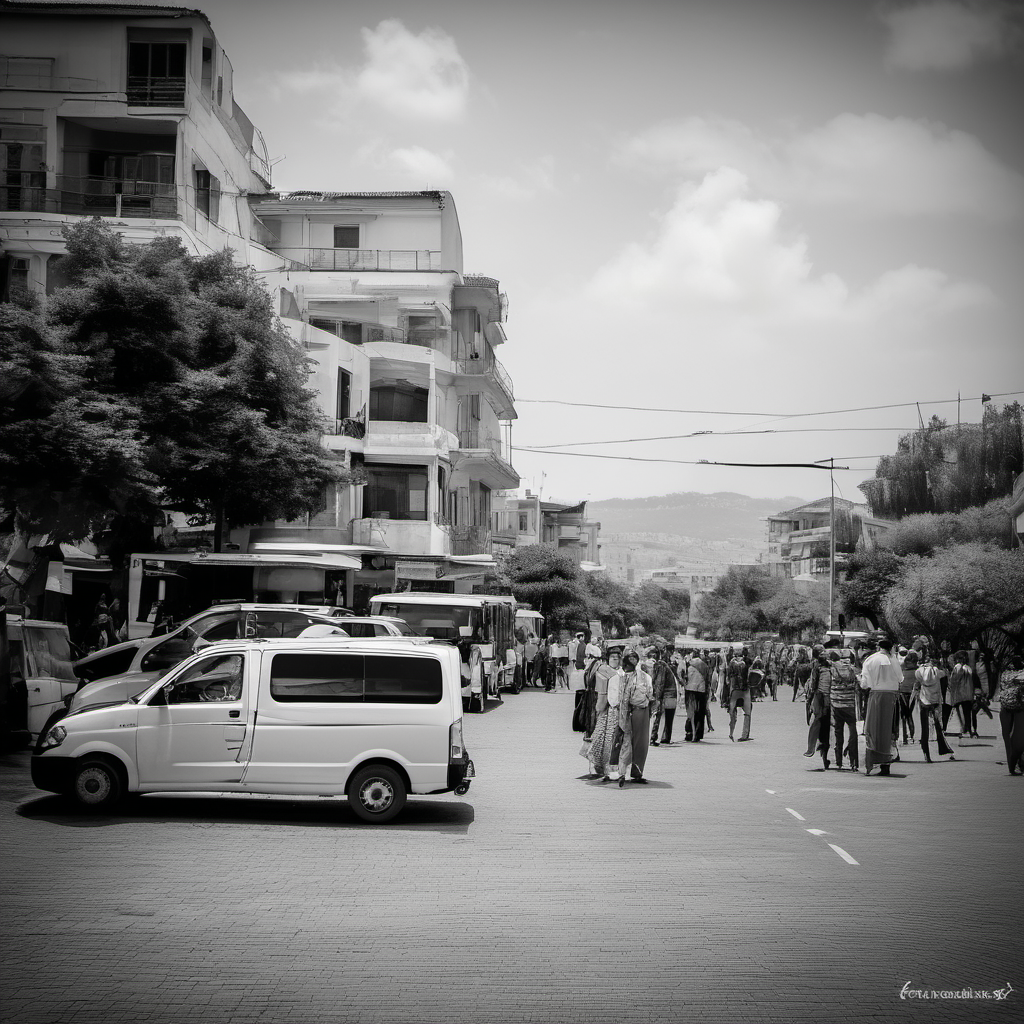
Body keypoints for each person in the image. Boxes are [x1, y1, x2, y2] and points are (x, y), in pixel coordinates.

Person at [859, 636, 902, 776]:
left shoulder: (871, 660)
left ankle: (873, 763)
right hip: (892, 697)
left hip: (876, 696)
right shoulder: (894, 660)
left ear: (878, 647)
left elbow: (864, 684)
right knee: (888, 730)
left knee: (873, 729)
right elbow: (900, 678)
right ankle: (885, 764)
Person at [615, 651, 654, 785]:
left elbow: (650, 694)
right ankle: (620, 772)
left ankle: (637, 773)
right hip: (622, 712)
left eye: (634, 658)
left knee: (640, 743)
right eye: (629, 658)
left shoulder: (645, 677)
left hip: (641, 711)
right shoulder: (619, 676)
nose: (632, 661)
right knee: (623, 742)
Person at [584, 650, 623, 780]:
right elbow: (599, 694)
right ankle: (597, 767)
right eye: (612, 658)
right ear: (607, 659)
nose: (615, 660)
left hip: (615, 711)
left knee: (612, 740)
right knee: (599, 737)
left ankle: (609, 768)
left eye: (617, 658)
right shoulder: (602, 671)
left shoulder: (622, 673)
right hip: (602, 710)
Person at [911, 653, 956, 765]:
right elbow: (945, 674)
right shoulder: (938, 672)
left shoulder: (919, 671)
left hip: (923, 701)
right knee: (938, 727)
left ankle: (926, 753)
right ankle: (943, 748)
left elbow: (917, 681)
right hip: (935, 701)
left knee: (924, 729)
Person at [803, 647, 833, 769]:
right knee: (826, 728)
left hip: (819, 700)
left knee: (817, 724)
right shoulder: (832, 667)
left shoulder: (816, 667)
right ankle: (825, 757)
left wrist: (809, 700)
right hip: (832, 700)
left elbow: (813, 685)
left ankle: (812, 748)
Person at [830, 651, 859, 771]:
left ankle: (839, 761)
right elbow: (861, 687)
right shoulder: (855, 670)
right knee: (853, 733)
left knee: (838, 732)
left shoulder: (833, 670)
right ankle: (853, 761)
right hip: (850, 706)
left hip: (836, 705)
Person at [996, 655, 1024, 776]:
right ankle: (1018, 764)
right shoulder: (1021, 674)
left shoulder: (1004, 674)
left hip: (1005, 708)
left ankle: (1012, 766)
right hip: (1020, 708)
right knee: (1019, 739)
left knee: (1008, 738)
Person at [947, 651, 977, 746]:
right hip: (968, 694)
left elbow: (955, 680)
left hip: (960, 694)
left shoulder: (958, 667)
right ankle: (968, 729)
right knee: (967, 712)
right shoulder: (968, 668)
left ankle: (963, 729)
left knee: (961, 713)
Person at [649, 650, 678, 746]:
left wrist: (656, 697)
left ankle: (656, 738)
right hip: (671, 695)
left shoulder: (659, 665)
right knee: (667, 718)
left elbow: (659, 683)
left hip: (667, 695)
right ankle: (664, 738)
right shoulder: (663, 665)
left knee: (660, 716)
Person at [683, 649, 711, 742]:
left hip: (690, 689)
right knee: (700, 712)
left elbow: (684, 677)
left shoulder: (689, 664)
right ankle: (698, 734)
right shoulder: (704, 665)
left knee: (691, 712)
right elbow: (708, 679)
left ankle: (689, 732)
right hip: (701, 690)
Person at [726, 650, 752, 742]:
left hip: (734, 690)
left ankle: (731, 733)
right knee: (747, 712)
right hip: (745, 690)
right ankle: (745, 734)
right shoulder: (747, 662)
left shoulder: (731, 663)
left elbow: (727, 678)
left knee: (732, 712)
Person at [897, 650, 919, 745]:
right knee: (910, 715)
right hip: (911, 693)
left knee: (904, 716)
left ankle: (905, 737)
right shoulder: (917, 670)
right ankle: (911, 736)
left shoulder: (902, 667)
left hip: (903, 693)